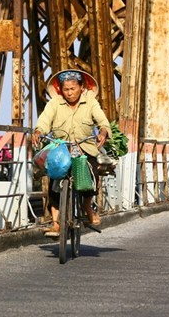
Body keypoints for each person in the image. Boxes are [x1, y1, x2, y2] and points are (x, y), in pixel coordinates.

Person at [32, 69, 111, 237]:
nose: (69, 93)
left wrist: (103, 132)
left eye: (73, 89)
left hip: (84, 147)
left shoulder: (90, 102)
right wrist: (39, 131)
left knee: (91, 175)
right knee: (54, 178)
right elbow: (44, 120)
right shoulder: (54, 103)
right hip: (60, 147)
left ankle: (87, 206)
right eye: (66, 89)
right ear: (61, 89)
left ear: (81, 87)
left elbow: (102, 121)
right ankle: (55, 223)